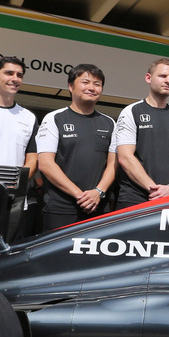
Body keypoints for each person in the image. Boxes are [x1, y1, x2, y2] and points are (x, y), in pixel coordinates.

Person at [35, 64, 117, 231]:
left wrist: (98, 192)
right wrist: (80, 195)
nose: (91, 88)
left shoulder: (110, 123)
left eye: (97, 84)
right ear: (70, 86)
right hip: (60, 209)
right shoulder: (54, 119)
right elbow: (45, 164)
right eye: (85, 82)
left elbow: (113, 164)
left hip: (98, 207)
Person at [114, 58, 169, 209]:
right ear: (148, 78)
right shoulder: (131, 112)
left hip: (168, 199)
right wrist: (155, 190)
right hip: (134, 198)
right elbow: (125, 158)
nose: (167, 81)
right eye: (162, 76)